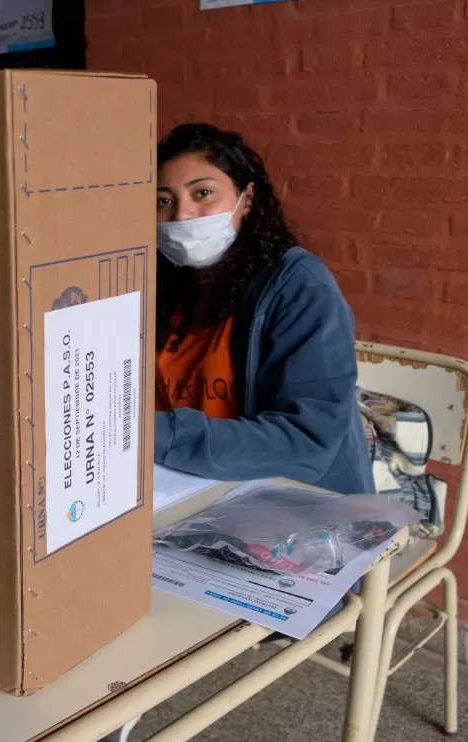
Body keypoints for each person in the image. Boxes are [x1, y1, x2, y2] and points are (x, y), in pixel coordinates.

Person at [153, 123, 371, 495]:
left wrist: (145, 436)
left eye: (202, 193)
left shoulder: (301, 287)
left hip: (297, 504)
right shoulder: (162, 284)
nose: (182, 216)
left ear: (248, 199)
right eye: (163, 200)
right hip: (183, 486)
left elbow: (305, 441)